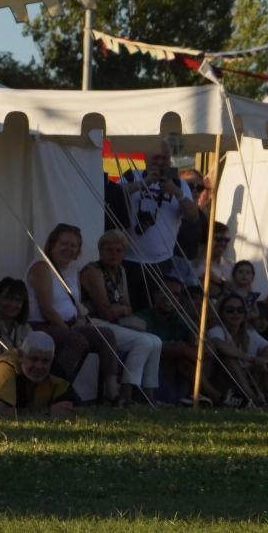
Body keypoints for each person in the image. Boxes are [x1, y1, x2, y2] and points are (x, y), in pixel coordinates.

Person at [26, 224, 119, 402]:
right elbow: (47, 309)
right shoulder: (41, 267)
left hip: (68, 325)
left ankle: (111, 391)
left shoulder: (71, 269)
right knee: (76, 340)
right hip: (43, 326)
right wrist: (68, 330)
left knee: (106, 335)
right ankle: (55, 389)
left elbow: (75, 304)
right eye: (64, 244)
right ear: (53, 244)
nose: (69, 249)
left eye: (73, 246)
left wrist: (81, 320)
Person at [81, 230, 163, 407]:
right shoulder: (93, 271)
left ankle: (149, 394)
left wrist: (119, 309)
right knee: (144, 342)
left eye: (118, 251)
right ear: (100, 251)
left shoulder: (121, 271)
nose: (114, 254)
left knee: (156, 341)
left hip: (114, 323)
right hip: (94, 322)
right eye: (109, 250)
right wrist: (119, 309)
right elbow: (104, 311)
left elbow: (127, 306)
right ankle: (126, 392)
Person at [120, 140, 199, 312]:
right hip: (128, 260)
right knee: (129, 309)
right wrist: (143, 183)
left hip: (161, 262)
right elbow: (114, 197)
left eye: (165, 159)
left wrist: (177, 193)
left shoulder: (179, 183)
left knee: (155, 311)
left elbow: (193, 216)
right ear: (146, 158)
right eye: (156, 158)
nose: (161, 162)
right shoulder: (131, 175)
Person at [136, 273, 222, 406]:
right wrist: (182, 349)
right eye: (165, 291)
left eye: (175, 294)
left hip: (176, 374)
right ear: (155, 294)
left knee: (189, 355)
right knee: (180, 351)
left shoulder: (179, 320)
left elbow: (204, 345)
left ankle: (206, 395)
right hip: (151, 376)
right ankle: (214, 396)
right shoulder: (143, 317)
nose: (169, 297)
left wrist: (194, 340)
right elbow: (150, 348)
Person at [0, 331, 76, 418]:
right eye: (34, 359)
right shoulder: (5, 367)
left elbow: (72, 408)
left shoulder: (56, 373)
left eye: (45, 361)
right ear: (21, 355)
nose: (39, 366)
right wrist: (47, 413)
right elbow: (1, 414)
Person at [208, 293, 268, 407]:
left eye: (240, 310)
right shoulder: (217, 330)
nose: (235, 314)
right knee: (230, 358)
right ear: (222, 313)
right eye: (230, 310)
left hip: (247, 380)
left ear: (245, 313)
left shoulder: (249, 333)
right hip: (222, 381)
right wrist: (253, 359)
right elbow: (221, 346)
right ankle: (253, 399)